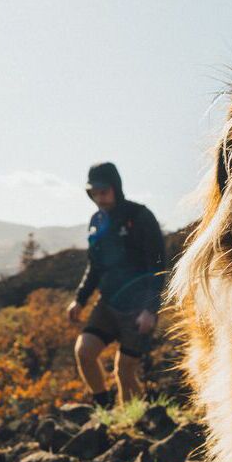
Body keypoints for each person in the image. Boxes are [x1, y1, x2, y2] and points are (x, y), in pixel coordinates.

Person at [66, 162, 165, 408]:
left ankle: (134, 421)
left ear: (115, 188)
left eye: (103, 191)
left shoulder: (140, 216)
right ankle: (105, 408)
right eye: (93, 193)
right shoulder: (97, 221)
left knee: (124, 371)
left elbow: (159, 265)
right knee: (84, 351)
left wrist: (150, 310)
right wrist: (80, 299)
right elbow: (94, 266)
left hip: (139, 307)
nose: (99, 198)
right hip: (108, 303)